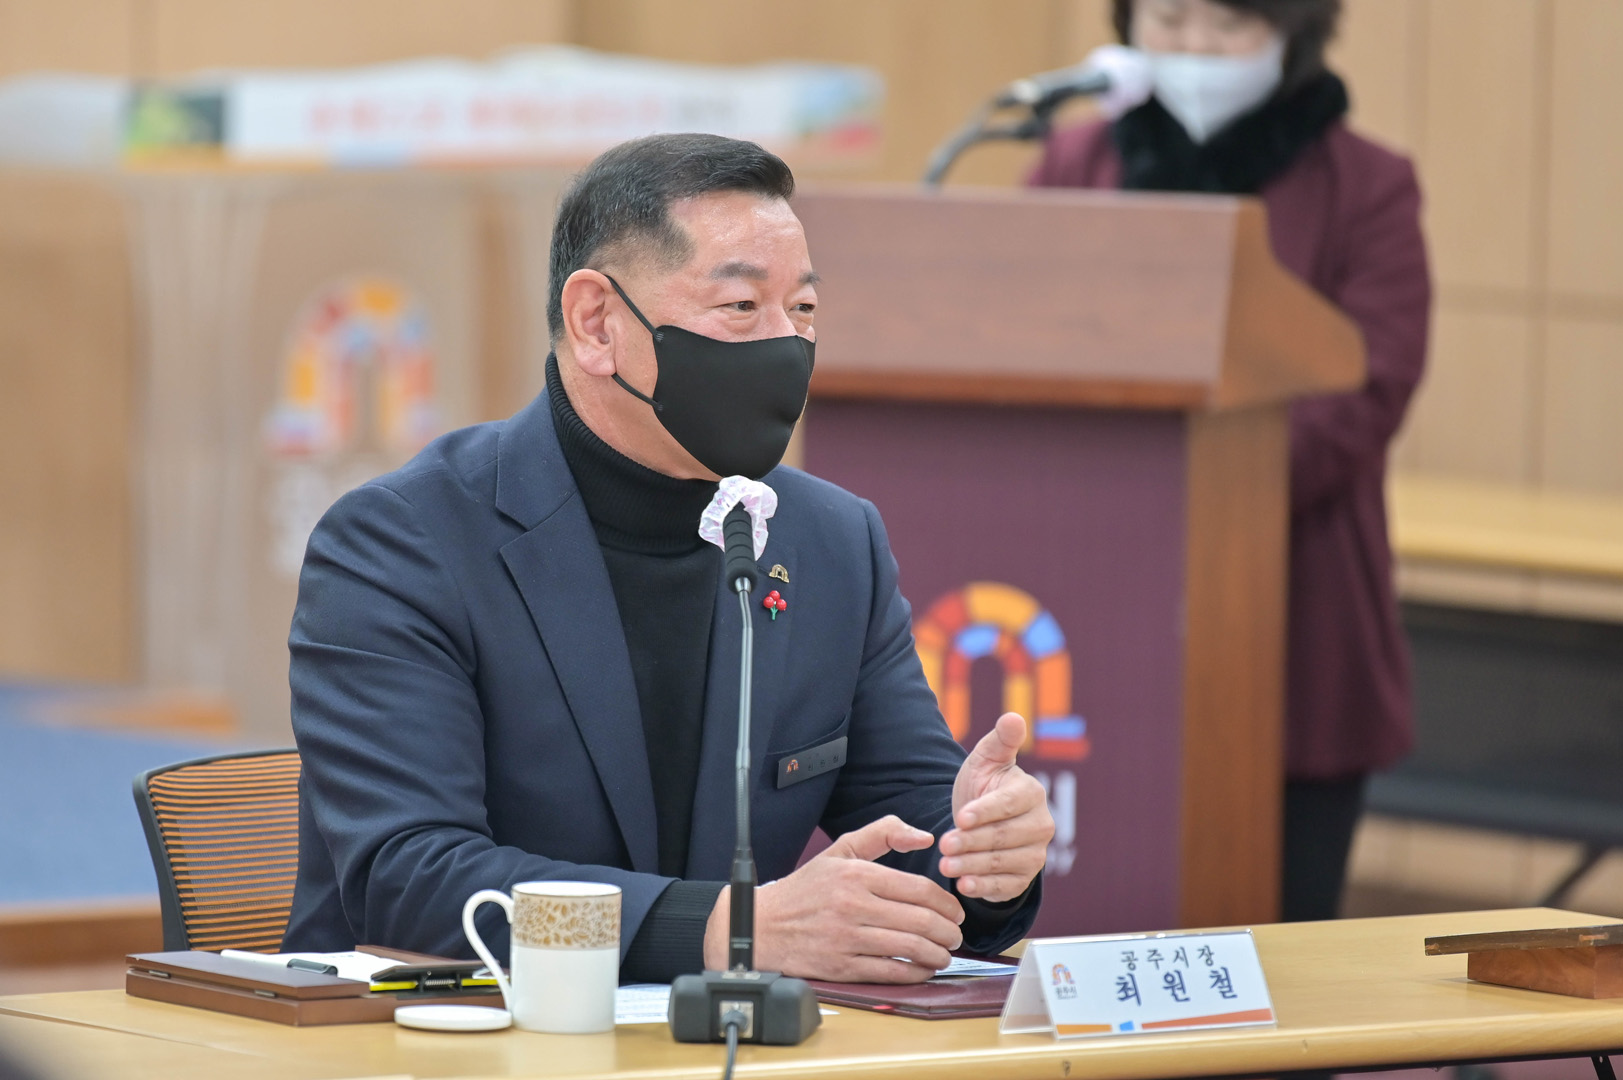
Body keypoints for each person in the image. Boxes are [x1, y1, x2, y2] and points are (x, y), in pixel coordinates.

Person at [282, 133, 1052, 983]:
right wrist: (726, 931)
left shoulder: (830, 541)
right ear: (596, 322)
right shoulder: (403, 542)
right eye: (740, 306)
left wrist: (984, 853)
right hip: (436, 1031)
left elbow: (912, 827)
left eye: (802, 309)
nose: (784, 343)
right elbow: (410, 882)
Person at [1029, 0, 1430, 922]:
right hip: (1091, 604)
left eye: (1225, 27)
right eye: (1168, 22)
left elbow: (1368, 386)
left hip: (1290, 598)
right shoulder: (1072, 164)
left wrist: (1183, 494)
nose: (1194, 50)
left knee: (1278, 940)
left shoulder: (1364, 185)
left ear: (1290, 34)